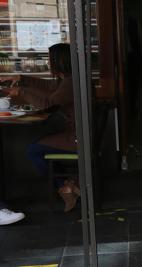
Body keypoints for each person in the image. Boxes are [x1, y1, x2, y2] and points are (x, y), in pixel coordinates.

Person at [0, 43, 78, 212]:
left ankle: (65, 186)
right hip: (76, 135)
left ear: (60, 61)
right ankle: (69, 183)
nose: (49, 63)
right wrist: (21, 79)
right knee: (38, 145)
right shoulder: (69, 80)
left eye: (51, 59)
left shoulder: (71, 83)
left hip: (77, 139)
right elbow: (49, 89)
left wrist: (21, 91)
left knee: (33, 150)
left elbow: (48, 102)